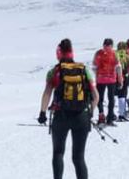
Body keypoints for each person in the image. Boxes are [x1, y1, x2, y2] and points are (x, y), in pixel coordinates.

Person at [39, 39, 96, 179]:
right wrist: (90, 113)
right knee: (79, 158)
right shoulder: (85, 70)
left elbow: (47, 93)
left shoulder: (54, 71)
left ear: (58, 54)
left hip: (61, 116)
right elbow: (96, 96)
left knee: (58, 153)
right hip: (81, 117)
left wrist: (42, 113)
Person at [93, 38, 120, 126]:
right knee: (111, 98)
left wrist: (95, 78)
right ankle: (110, 118)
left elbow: (94, 66)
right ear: (112, 45)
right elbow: (118, 67)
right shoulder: (114, 53)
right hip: (112, 79)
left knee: (99, 98)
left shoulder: (98, 53)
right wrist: (120, 79)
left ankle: (101, 116)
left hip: (100, 79)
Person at [115, 41, 129, 122]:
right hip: (124, 77)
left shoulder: (114, 54)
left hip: (113, 77)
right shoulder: (126, 55)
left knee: (113, 96)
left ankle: (111, 114)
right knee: (123, 95)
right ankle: (121, 114)